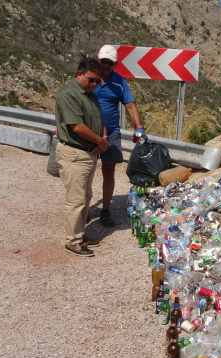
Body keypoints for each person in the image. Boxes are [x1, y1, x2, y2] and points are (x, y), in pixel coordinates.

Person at [55, 57, 108, 257]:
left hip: (88, 154)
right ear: (79, 74)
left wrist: (102, 138)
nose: (94, 84)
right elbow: (76, 126)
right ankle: (73, 241)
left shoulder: (90, 94)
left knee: (85, 196)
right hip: (74, 153)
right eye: (91, 79)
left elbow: (98, 118)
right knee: (76, 199)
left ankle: (80, 233)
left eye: (98, 81)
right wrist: (101, 142)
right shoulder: (69, 94)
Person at [93, 44, 145, 228]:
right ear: (98, 59)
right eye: (104, 61)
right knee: (86, 172)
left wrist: (139, 127)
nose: (106, 65)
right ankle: (83, 208)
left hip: (112, 133)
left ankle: (105, 210)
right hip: (89, 131)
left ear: (115, 64)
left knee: (109, 172)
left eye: (110, 63)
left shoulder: (119, 82)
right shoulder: (90, 77)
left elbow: (130, 105)